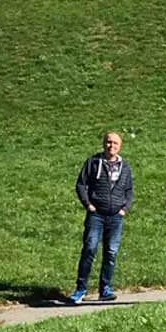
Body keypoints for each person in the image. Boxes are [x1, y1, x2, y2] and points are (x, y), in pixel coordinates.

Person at [71, 130, 134, 303]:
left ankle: (105, 288)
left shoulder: (125, 166)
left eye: (115, 143)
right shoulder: (93, 162)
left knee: (111, 252)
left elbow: (129, 190)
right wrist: (88, 205)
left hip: (116, 216)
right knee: (90, 249)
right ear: (103, 144)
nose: (111, 146)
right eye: (108, 142)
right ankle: (81, 289)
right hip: (96, 215)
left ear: (120, 146)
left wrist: (125, 209)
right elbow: (81, 185)